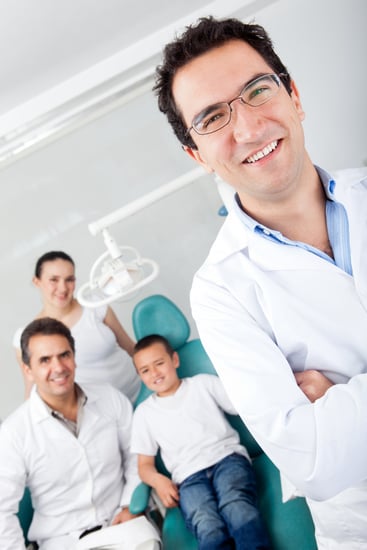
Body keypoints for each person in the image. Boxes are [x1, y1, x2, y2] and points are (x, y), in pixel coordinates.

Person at [154, 15, 367, 549]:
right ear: (196, 155)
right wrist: (323, 438)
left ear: (293, 95)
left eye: (257, 90)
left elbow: (331, 439)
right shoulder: (219, 289)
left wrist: (343, 403)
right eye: (212, 118)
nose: (247, 128)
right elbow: (313, 461)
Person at [0, 317, 146, 550]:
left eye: (64, 355)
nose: (58, 367)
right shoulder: (14, 433)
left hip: (121, 525)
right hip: (63, 540)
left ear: (74, 358)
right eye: (45, 360)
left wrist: (130, 505)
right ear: (28, 370)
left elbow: (137, 455)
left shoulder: (110, 398)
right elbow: (1, 511)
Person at [131, 334, 270, 550]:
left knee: (235, 505)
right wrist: (159, 481)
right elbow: (144, 466)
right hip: (188, 478)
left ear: (174, 360)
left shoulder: (203, 384)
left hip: (228, 460)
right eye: (145, 370)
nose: (155, 373)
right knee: (206, 522)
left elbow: (244, 403)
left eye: (159, 363)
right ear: (140, 375)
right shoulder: (144, 413)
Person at [13, 251, 140, 402]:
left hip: (140, 391)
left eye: (69, 280)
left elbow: (131, 348)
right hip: (101, 412)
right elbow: (32, 390)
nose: (63, 288)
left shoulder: (95, 305)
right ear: (37, 282)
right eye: (54, 280)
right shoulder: (26, 337)